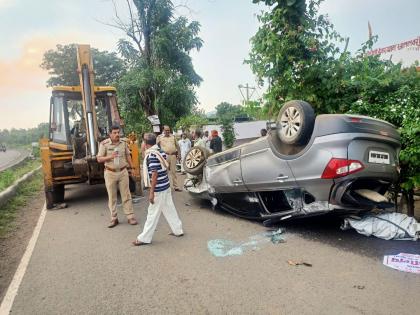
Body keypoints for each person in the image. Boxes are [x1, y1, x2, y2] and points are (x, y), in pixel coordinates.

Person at [133, 133, 183, 246]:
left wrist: (151, 192)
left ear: (145, 144)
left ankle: (144, 238)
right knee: (169, 209)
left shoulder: (151, 155)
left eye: (142, 143)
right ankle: (178, 230)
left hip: (158, 189)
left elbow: (154, 174)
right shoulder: (160, 152)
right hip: (165, 186)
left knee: (152, 214)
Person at [97, 125, 138, 228]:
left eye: (118, 132)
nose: (117, 135)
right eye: (114, 133)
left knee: (126, 195)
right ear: (110, 134)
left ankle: (130, 216)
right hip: (110, 173)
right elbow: (99, 159)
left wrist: (132, 168)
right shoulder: (104, 144)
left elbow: (128, 155)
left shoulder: (123, 143)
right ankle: (114, 218)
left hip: (123, 172)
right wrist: (111, 156)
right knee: (112, 196)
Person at [157, 125, 182, 191]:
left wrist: (179, 154)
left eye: (168, 130)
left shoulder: (173, 137)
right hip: (165, 156)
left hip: (173, 156)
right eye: (166, 130)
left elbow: (178, 146)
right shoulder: (160, 137)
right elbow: (156, 147)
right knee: (165, 172)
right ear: (163, 130)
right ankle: (166, 187)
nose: (168, 131)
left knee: (174, 172)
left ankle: (176, 187)